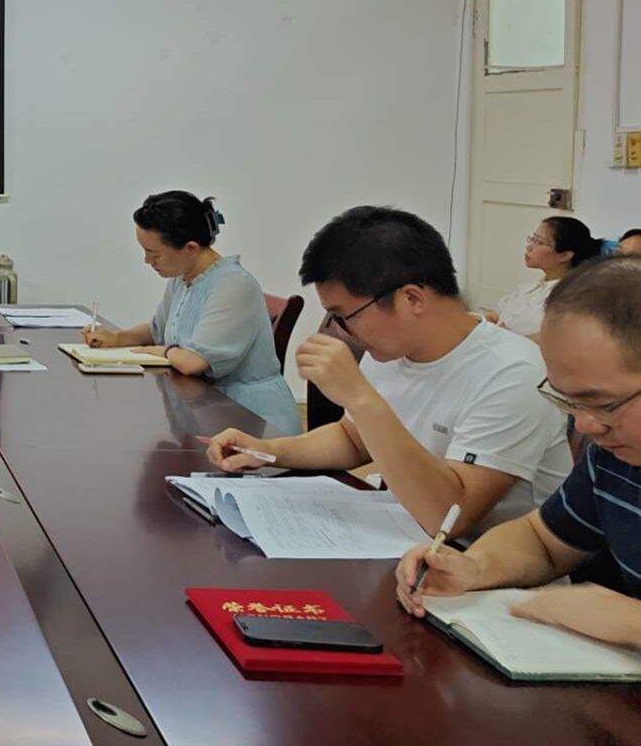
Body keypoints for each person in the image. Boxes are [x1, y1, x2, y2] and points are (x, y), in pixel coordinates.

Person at [206, 206, 572, 536]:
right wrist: (267, 451)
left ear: (412, 298)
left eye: (344, 317)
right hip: (405, 538)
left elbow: (449, 518)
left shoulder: (513, 372)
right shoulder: (393, 351)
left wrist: (359, 396)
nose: (340, 332)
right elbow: (352, 439)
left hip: (480, 569)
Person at [398, 255, 641, 648]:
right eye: (569, 402)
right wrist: (475, 567)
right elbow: (543, 541)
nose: (584, 426)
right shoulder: (613, 457)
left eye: (603, 404)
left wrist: (630, 620)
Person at [81, 191, 299, 435]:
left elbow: (193, 362)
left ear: (190, 248)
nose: (147, 261)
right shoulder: (182, 278)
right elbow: (157, 329)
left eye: (154, 254)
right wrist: (117, 338)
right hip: (204, 407)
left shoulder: (233, 285)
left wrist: (161, 351)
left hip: (250, 418)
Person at [485, 215, 601, 338]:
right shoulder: (526, 287)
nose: (529, 247)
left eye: (539, 242)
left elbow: (554, 340)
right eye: (532, 239)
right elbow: (494, 316)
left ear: (565, 255)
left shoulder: (573, 298)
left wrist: (505, 339)